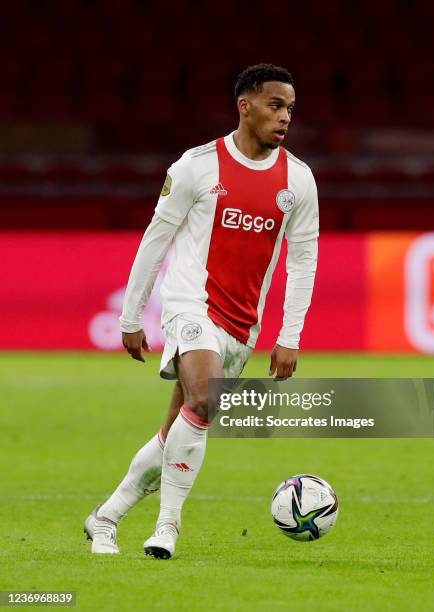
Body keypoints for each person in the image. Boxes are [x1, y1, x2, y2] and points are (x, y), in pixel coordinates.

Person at [84, 63, 319, 559]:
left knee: (180, 426)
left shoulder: (298, 180)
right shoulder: (196, 166)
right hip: (191, 302)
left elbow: (303, 263)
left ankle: (105, 517)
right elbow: (156, 239)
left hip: (242, 324)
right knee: (204, 400)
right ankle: (166, 528)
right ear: (245, 106)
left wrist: (289, 334)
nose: (285, 119)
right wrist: (132, 317)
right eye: (276, 106)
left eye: (290, 110)